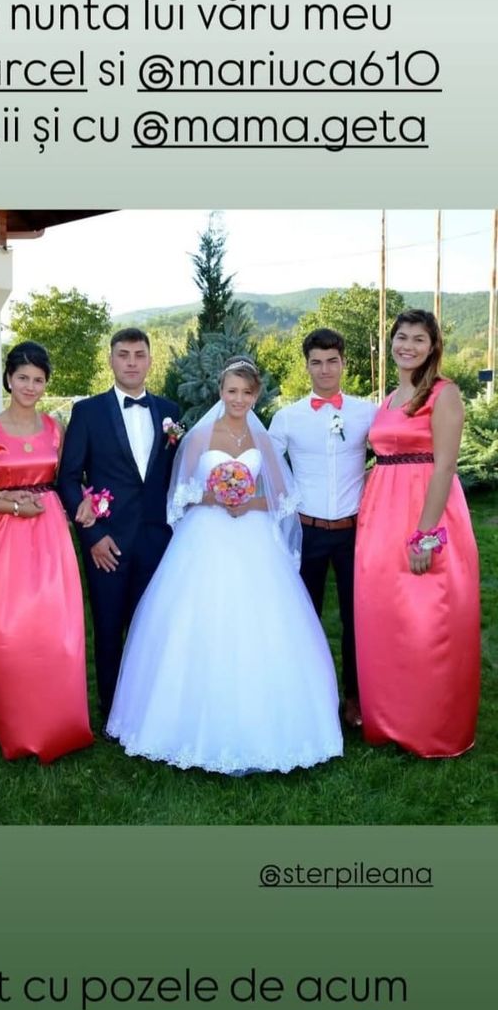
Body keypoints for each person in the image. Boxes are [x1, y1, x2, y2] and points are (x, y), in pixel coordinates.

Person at [106, 360, 344, 772]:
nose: (238, 399)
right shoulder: (200, 436)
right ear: (221, 391)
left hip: (253, 536)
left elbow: (282, 496)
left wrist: (247, 501)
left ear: (256, 396)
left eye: (246, 393)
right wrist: (216, 496)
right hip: (206, 534)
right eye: (232, 391)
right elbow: (180, 495)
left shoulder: (261, 439)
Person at [355, 310, 480, 758]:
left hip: (427, 514)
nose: (408, 345)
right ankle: (388, 721)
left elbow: (444, 467)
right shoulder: (390, 398)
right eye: (402, 337)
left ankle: (431, 728)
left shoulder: (444, 394)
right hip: (381, 518)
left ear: (432, 347)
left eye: (418, 339)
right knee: (385, 618)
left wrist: (425, 535)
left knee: (428, 619)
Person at [0, 341, 93, 763]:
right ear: (8, 379)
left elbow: (70, 479)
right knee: (13, 632)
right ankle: (21, 730)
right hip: (7, 538)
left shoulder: (56, 428)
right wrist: (11, 505)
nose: (30, 386)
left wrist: (88, 500)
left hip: (50, 533)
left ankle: (64, 725)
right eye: (22, 378)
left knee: (59, 631)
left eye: (38, 379)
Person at [58, 328, 179, 729]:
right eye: (123, 354)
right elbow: (68, 478)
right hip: (106, 542)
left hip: (157, 540)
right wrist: (92, 535)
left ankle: (147, 708)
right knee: (109, 628)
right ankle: (112, 712)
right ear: (110, 359)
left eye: (139, 354)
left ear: (150, 360)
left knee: (152, 627)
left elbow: (175, 475)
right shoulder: (88, 412)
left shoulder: (169, 411)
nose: (131, 362)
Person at [269, 328, 377, 727]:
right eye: (317, 362)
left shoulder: (368, 413)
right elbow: (264, 467)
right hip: (306, 531)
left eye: (332, 361)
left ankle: (355, 698)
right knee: (304, 617)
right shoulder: (287, 417)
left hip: (355, 532)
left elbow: (394, 453)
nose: (325, 369)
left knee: (356, 619)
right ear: (307, 366)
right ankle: (308, 696)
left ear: (344, 363)